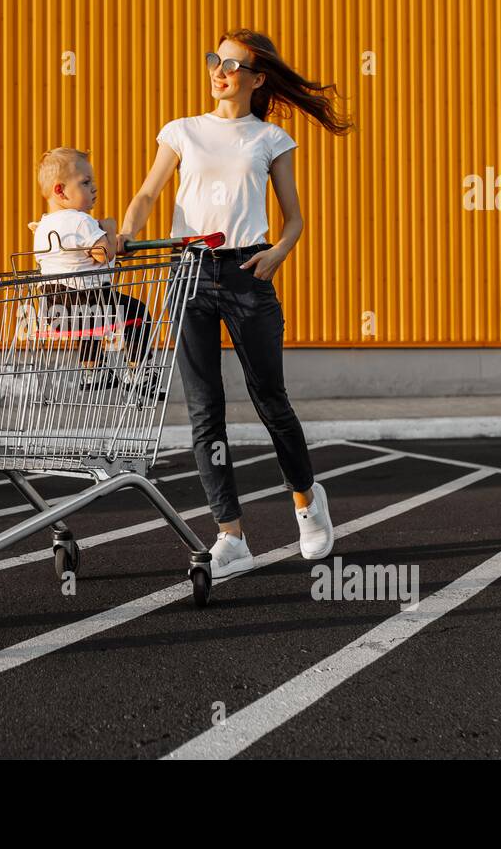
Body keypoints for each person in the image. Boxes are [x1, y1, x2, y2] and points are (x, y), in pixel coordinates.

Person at [117, 29, 352, 578]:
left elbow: (294, 218)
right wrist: (126, 231)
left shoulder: (269, 139)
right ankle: (230, 535)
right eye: (213, 60)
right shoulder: (182, 131)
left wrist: (278, 253)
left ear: (257, 77)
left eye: (231, 63)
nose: (218, 70)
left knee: (270, 398)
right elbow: (150, 192)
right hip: (188, 272)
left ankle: (306, 502)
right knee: (205, 412)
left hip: (247, 272)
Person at [29, 148, 158, 396]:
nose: (94, 189)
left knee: (88, 321)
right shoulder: (80, 221)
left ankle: (94, 369)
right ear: (60, 190)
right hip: (86, 301)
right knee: (137, 313)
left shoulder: (43, 225)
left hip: (55, 306)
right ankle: (139, 371)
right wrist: (109, 228)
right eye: (85, 182)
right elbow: (103, 253)